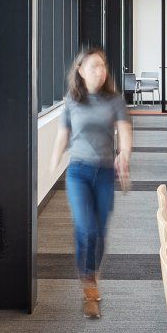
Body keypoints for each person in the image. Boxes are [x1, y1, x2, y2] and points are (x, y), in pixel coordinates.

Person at [49, 48, 132, 318]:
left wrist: (124, 155)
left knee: (99, 232)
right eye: (94, 66)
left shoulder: (115, 100)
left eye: (103, 65)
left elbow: (125, 132)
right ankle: (88, 287)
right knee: (85, 229)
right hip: (78, 173)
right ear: (81, 71)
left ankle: (92, 273)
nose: (100, 70)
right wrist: (51, 164)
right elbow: (63, 136)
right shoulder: (72, 101)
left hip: (105, 173)